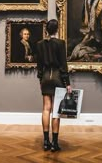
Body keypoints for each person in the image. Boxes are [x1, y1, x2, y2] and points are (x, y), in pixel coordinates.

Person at [36, 19, 72, 152]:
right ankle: (54, 144)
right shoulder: (60, 43)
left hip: (45, 77)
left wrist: (40, 79)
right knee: (56, 111)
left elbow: (39, 65)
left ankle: (46, 142)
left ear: (47, 29)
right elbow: (63, 65)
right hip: (57, 78)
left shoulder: (40, 44)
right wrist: (67, 83)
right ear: (57, 29)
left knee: (46, 109)